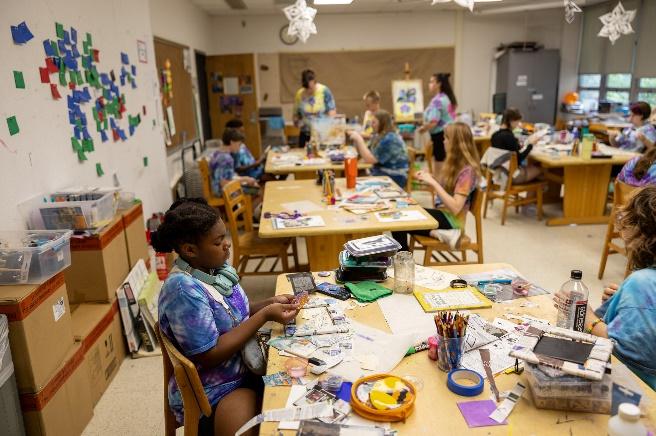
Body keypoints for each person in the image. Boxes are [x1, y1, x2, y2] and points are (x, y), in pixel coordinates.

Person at [154, 198, 300, 436]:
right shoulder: (183, 289)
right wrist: (263, 316)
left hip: (243, 367)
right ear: (190, 249)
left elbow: (232, 314)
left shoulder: (210, 270)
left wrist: (269, 303)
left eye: (225, 238)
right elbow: (209, 355)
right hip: (215, 390)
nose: (227, 246)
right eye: (218, 242)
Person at [560, 186, 656, 389]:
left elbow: (627, 353)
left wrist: (589, 319)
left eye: (627, 221)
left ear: (642, 228)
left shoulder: (643, 282)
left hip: (638, 391)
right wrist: (622, 304)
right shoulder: (644, 282)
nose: (622, 232)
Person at [392, 122, 481, 251]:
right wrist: (430, 179)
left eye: (446, 138)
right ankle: (435, 234)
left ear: (455, 143)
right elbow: (448, 192)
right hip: (445, 215)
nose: (443, 142)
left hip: (452, 221)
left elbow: (456, 207)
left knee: (399, 221)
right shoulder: (455, 165)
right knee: (401, 215)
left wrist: (433, 183)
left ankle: (404, 260)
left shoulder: (467, 172)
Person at [349, 110, 409, 188]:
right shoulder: (380, 135)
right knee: (356, 175)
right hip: (383, 172)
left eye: (374, 122)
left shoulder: (390, 138)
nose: (371, 125)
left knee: (356, 182)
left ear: (382, 123)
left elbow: (370, 159)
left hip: (395, 176)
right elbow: (367, 153)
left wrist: (359, 139)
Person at [418, 73, 457, 177]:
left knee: (439, 165)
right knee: (443, 162)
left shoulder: (437, 100)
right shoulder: (446, 97)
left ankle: (438, 188)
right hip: (446, 133)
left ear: (438, 84)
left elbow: (433, 122)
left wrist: (423, 129)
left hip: (440, 134)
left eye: (431, 82)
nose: (429, 84)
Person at [489, 108, 542, 183]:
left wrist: (519, 145)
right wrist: (530, 145)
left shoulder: (494, 136)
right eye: (517, 122)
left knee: (535, 170)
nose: (518, 125)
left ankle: (537, 191)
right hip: (511, 176)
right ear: (511, 121)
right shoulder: (509, 136)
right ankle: (542, 191)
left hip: (498, 174)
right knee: (542, 169)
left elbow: (511, 150)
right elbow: (519, 159)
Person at [293, 69, 337, 148]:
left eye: (311, 87)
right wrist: (296, 121)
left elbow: (332, 111)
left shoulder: (324, 90)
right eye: (307, 88)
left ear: (315, 81)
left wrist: (329, 128)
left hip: (322, 134)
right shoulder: (300, 94)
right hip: (305, 133)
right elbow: (296, 113)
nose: (309, 91)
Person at [208, 130, 258, 198]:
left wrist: (244, 179)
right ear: (232, 142)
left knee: (252, 185)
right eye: (239, 144)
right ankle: (246, 208)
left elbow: (227, 176)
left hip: (216, 188)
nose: (239, 147)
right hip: (222, 192)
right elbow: (224, 183)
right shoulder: (226, 159)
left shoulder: (217, 153)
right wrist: (245, 180)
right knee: (256, 190)